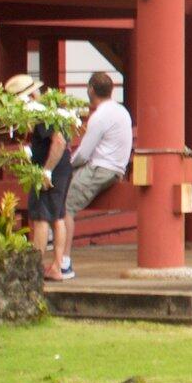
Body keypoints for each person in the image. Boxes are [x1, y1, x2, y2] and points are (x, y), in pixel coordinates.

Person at [57, 70, 132, 281]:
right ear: (111, 90)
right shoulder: (122, 111)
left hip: (100, 168)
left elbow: (84, 153)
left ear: (90, 89)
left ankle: (64, 262)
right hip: (117, 168)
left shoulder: (99, 116)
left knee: (65, 208)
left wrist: (66, 165)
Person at [7, 73, 73, 281]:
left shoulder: (42, 113)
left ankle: (36, 266)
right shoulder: (52, 109)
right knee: (57, 216)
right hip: (61, 167)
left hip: (50, 167)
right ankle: (57, 265)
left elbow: (59, 141)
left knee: (41, 216)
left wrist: (46, 170)